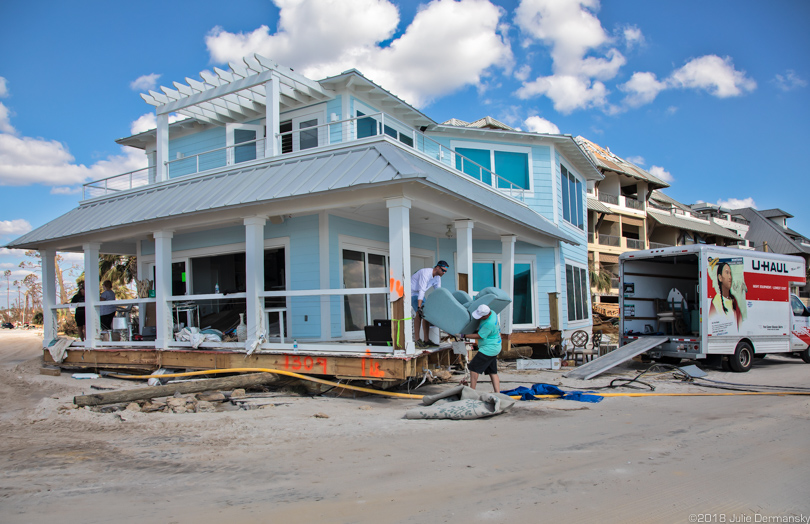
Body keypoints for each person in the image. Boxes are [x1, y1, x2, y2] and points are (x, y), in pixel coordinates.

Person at [459, 304, 502, 393]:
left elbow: (479, 335)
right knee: (492, 372)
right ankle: (498, 393)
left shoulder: (489, 323)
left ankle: (472, 392)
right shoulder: (493, 313)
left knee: (474, 368)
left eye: (481, 317)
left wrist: (464, 335)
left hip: (488, 349)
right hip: (495, 346)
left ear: (486, 315)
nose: (479, 318)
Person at [411, 260, 449, 349]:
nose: (444, 273)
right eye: (443, 270)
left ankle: (426, 340)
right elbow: (421, 290)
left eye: (445, 271)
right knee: (419, 313)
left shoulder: (437, 278)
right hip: (412, 292)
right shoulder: (426, 273)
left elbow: (438, 292)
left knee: (427, 313)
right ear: (437, 267)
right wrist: (419, 307)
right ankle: (417, 339)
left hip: (420, 294)